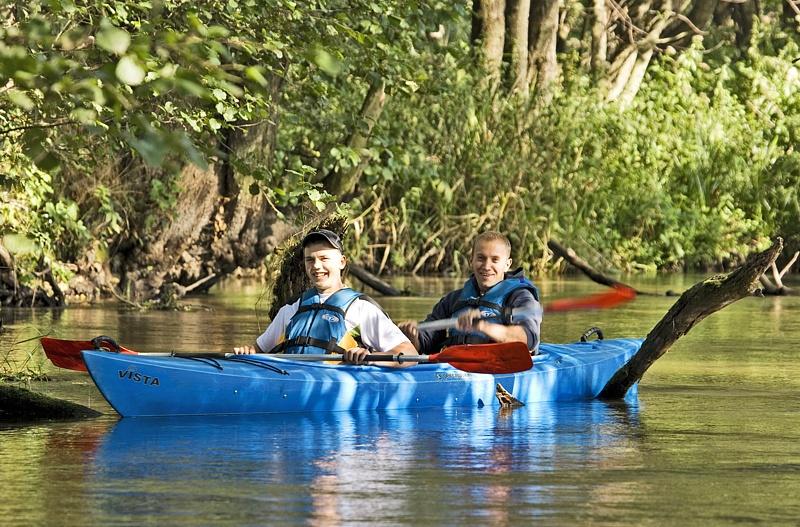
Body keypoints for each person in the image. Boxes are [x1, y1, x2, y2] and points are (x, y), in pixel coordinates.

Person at [234, 229, 418, 366]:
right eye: (310, 260)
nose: (316, 266)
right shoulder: (292, 308)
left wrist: (369, 358)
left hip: (336, 383)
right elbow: (258, 351)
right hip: (291, 379)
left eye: (324, 258)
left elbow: (410, 354)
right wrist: (246, 352)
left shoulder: (362, 308)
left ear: (341, 262)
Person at [399, 231, 541, 354]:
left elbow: (527, 338)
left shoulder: (520, 297)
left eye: (495, 260)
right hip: (454, 368)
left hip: (499, 365)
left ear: (507, 264)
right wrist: (413, 337)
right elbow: (426, 342)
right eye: (481, 258)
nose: (486, 266)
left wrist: (483, 326)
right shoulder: (453, 300)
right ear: (471, 260)